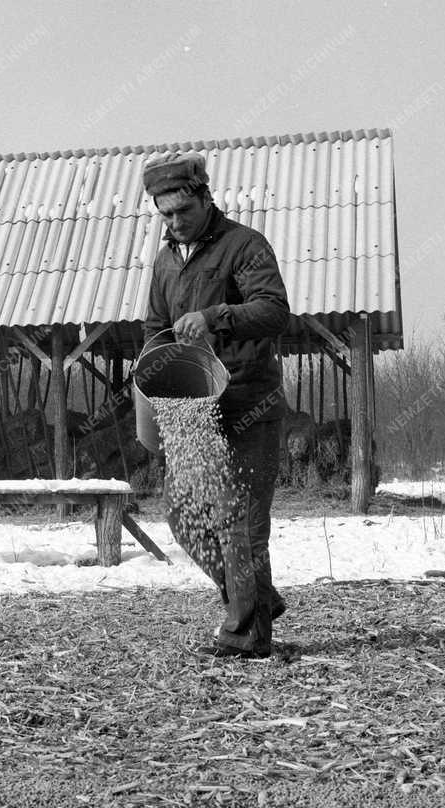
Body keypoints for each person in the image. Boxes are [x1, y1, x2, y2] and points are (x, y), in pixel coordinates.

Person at [141, 151, 291, 659]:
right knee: (185, 517)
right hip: (194, 411)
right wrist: (153, 369)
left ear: (206, 198)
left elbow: (273, 311)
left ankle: (246, 635)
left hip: (248, 401)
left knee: (241, 521)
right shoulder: (165, 261)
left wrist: (215, 316)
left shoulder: (244, 246)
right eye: (165, 214)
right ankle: (259, 598)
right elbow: (153, 327)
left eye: (183, 210)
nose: (175, 222)